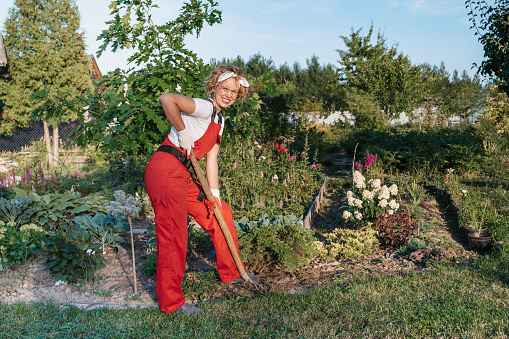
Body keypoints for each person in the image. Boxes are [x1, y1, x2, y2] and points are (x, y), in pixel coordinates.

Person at [144, 65, 259, 316]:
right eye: (225, 89)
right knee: (174, 235)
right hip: (166, 170)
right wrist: (183, 133)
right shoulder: (205, 107)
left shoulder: (219, 119)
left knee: (220, 213)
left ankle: (232, 272)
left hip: (184, 175)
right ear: (215, 87)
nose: (228, 94)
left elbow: (212, 159)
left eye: (234, 92)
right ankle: (171, 303)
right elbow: (168, 100)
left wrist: (214, 195)